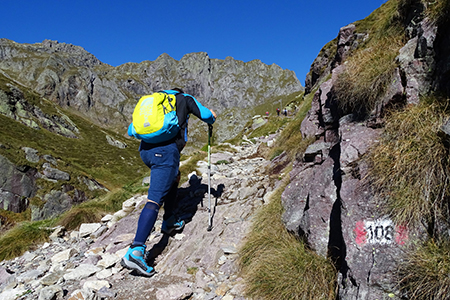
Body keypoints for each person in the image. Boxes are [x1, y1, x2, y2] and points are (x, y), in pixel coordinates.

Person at [121, 88, 217, 277]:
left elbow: (132, 129)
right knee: (154, 200)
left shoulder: (155, 101)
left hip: (146, 151)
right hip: (165, 152)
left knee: (174, 177)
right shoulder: (184, 98)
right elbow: (206, 115)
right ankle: (136, 250)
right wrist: (212, 116)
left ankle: (170, 221)